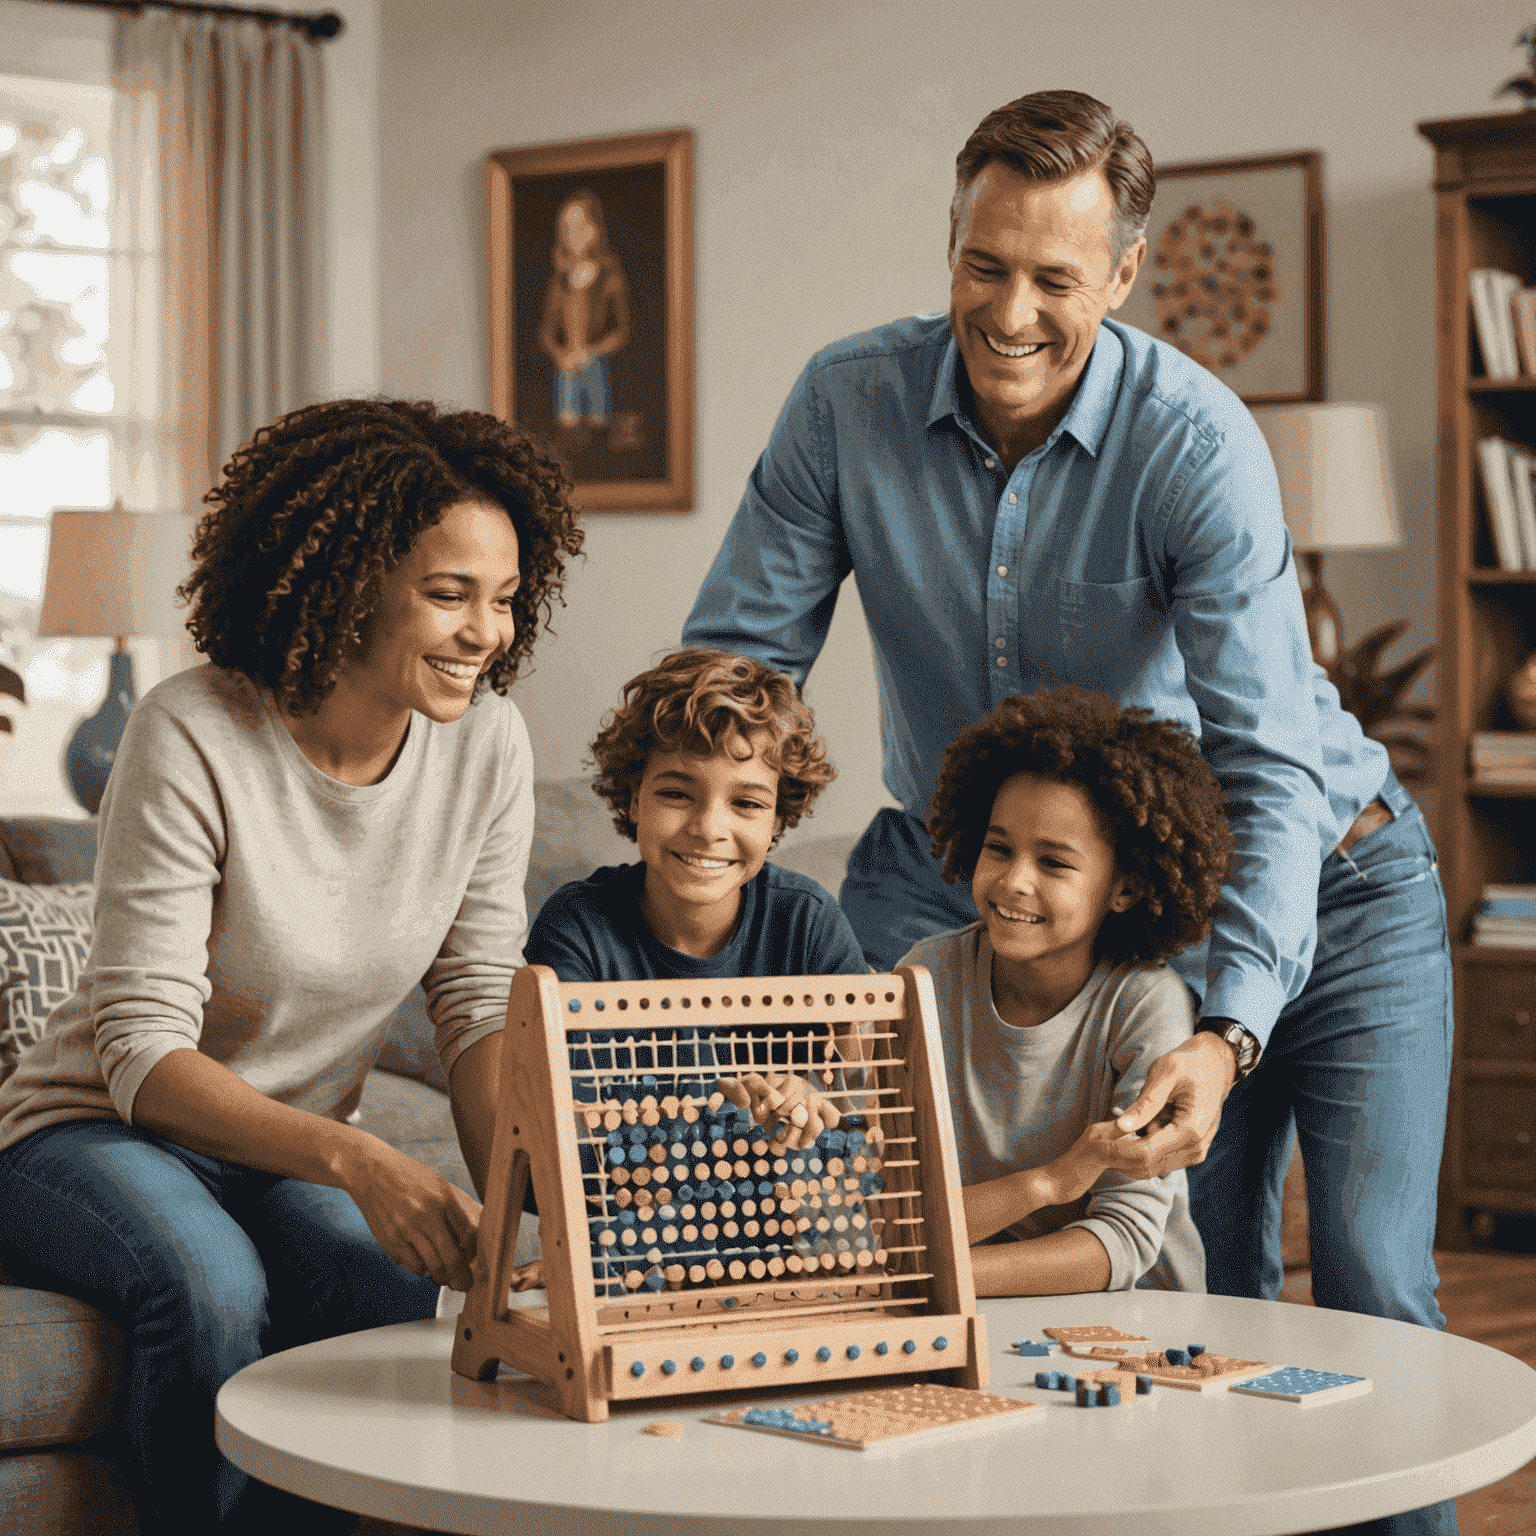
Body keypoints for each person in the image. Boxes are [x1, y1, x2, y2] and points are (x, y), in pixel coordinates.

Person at [683, 90, 1453, 1536]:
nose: (1013, 311)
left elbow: (1270, 767)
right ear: (952, 243)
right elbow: (737, 677)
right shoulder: (846, 403)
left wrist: (1228, 1029)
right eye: (986, 266)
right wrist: (693, 892)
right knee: (1204, 1303)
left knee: (1367, 1284)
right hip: (1001, 864)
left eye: (1055, 277)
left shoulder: (1193, 442)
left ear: (1125, 269)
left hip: (1323, 886)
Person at [0, 398, 583, 1534]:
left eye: (506, 598)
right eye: (450, 594)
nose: (488, 633)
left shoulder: (489, 747)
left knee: (385, 1293)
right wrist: (362, 1162)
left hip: (282, 1150)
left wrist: (530, 1203)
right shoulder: (193, 732)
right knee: (210, 1285)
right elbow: (140, 1054)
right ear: (355, 580)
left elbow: (472, 1007)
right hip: (91, 1132)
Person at [900, 687, 1232, 1297]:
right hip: (975, 1310)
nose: (1014, 881)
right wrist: (1047, 1184)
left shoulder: (1145, 1004)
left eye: (1053, 863)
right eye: (998, 849)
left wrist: (932, 1274)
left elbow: (1125, 1240)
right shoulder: (928, 975)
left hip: (1139, 1325)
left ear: (1124, 888)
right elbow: (892, 1212)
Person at [525, 647, 868, 1147]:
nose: (709, 829)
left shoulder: (806, 922)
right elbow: (553, 1126)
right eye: (676, 794)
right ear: (633, 796)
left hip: (784, 1215)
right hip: (622, 1214)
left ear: (776, 818)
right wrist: (715, 1106)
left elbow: (874, 1091)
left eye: (747, 803)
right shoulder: (579, 928)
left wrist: (815, 1100)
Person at [537, 190, 634, 431]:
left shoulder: (611, 278)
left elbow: (622, 331)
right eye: (568, 230)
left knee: (598, 422)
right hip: (567, 368)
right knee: (568, 424)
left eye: (582, 226)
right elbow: (546, 332)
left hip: (596, 364)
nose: (575, 236)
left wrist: (592, 353)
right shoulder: (558, 282)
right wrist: (562, 356)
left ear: (596, 229)